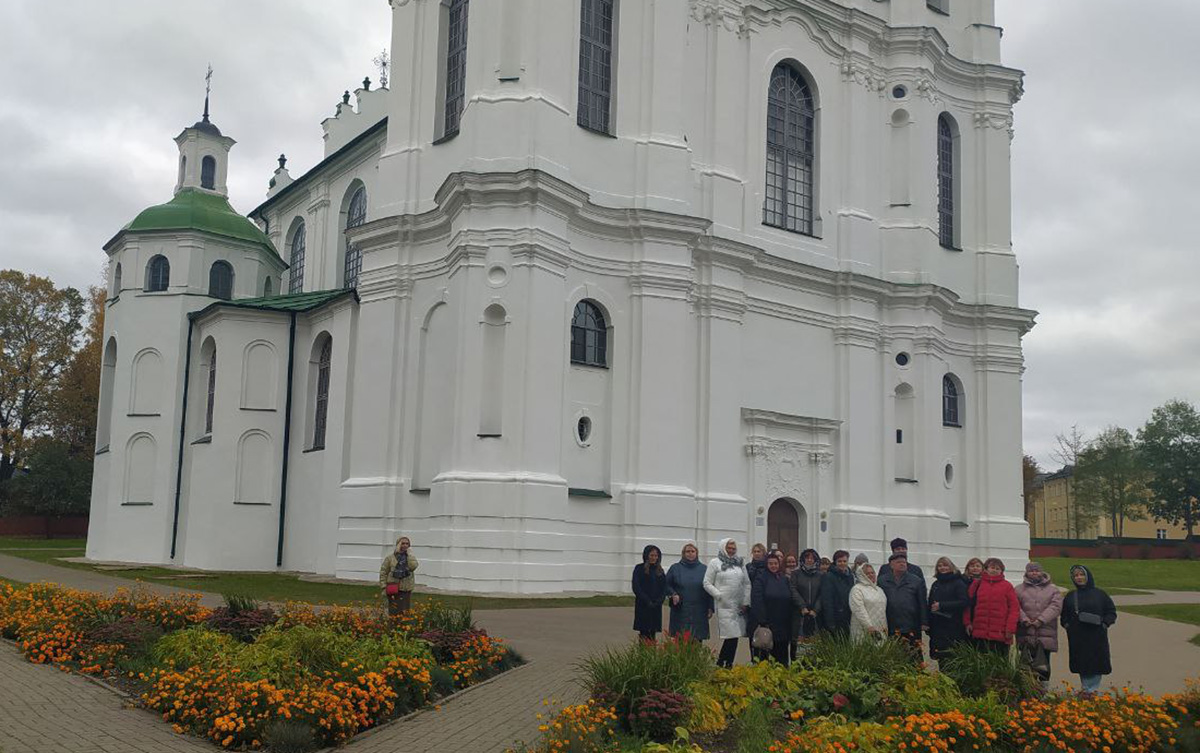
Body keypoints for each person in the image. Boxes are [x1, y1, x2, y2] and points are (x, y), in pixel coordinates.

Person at [1061, 564, 1117, 694]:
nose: (1079, 578)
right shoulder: (1071, 596)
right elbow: (1064, 616)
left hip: (1096, 635)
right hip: (1078, 636)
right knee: (1082, 664)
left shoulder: (1100, 594)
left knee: (1096, 663)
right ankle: (1087, 690)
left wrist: (1105, 624)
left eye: (1081, 574)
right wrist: (1068, 626)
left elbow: (1111, 612)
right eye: (1076, 575)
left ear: (1087, 576)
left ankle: (1091, 690)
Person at [704, 538, 752, 668]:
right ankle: (724, 662)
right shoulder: (715, 563)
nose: (731, 551)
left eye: (733, 548)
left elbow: (747, 583)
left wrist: (746, 601)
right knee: (731, 634)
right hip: (724, 605)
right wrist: (718, 595)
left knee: (735, 635)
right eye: (729, 548)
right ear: (723, 548)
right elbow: (707, 583)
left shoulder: (740, 562)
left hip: (738, 605)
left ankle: (725, 662)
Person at [1015, 561, 1063, 685]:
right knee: (1025, 663)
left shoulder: (1053, 590)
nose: (1034, 573)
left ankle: (1043, 689)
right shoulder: (1019, 589)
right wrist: (1024, 619)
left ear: (1042, 572)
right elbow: (1015, 606)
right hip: (1026, 631)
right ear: (1027, 573)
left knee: (1043, 664)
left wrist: (1040, 620)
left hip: (1045, 632)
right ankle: (1026, 688)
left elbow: (1056, 606)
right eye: (1031, 570)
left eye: (1037, 570)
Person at [878, 553, 928, 660]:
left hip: (911, 623)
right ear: (891, 565)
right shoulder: (882, 580)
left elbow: (922, 603)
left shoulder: (916, 581)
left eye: (904, 562)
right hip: (891, 623)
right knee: (894, 654)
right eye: (899, 562)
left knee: (914, 654)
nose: (902, 564)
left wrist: (924, 622)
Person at [965, 557, 1019, 654]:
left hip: (1000, 634)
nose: (994, 570)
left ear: (1001, 571)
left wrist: (1010, 629)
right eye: (992, 567)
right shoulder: (977, 584)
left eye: (997, 569)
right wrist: (967, 622)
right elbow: (968, 605)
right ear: (986, 569)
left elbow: (1014, 609)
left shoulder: (1007, 586)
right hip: (979, 633)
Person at [750, 552, 793, 664]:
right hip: (767, 623)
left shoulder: (784, 579)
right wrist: (762, 620)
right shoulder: (761, 579)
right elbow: (757, 599)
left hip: (783, 623)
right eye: (770, 563)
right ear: (766, 564)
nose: (773, 566)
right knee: (765, 654)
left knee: (782, 654)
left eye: (775, 563)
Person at [665, 542, 714, 641]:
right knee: (681, 639)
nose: (690, 553)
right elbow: (666, 584)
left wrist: (710, 607)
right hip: (681, 609)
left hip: (699, 609)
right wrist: (673, 594)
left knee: (697, 638)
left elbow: (710, 589)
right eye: (688, 551)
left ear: (696, 553)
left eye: (693, 551)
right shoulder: (675, 568)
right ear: (683, 553)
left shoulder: (704, 569)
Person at [927, 556, 970, 663]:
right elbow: (930, 603)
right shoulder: (936, 584)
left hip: (953, 625)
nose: (943, 568)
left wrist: (942, 605)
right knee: (941, 657)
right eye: (940, 566)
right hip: (937, 626)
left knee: (953, 657)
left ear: (951, 567)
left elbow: (964, 602)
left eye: (945, 565)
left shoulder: (958, 582)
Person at [789, 548, 823, 655]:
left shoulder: (820, 575)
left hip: (814, 614)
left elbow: (822, 594)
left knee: (813, 645)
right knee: (797, 642)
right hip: (799, 613)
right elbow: (793, 590)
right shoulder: (796, 574)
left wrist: (816, 609)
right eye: (807, 558)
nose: (809, 560)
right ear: (803, 560)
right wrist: (802, 606)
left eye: (812, 558)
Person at [631, 545, 667, 641]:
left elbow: (664, 587)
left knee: (652, 633)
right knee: (644, 632)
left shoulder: (660, 571)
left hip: (656, 606)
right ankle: (643, 653)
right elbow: (636, 587)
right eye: (651, 555)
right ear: (646, 555)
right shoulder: (639, 569)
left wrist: (659, 601)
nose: (654, 558)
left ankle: (651, 654)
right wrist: (647, 600)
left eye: (656, 556)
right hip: (643, 605)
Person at [379, 536, 419, 615]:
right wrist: (383, 586)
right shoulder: (390, 558)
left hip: (406, 588)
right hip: (393, 587)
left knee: (404, 610)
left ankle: (403, 626)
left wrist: (410, 556)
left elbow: (413, 567)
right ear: (398, 544)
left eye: (407, 544)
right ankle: (393, 625)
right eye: (403, 543)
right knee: (394, 609)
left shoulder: (410, 557)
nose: (405, 545)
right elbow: (383, 572)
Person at [849, 562, 888, 642]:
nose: (871, 575)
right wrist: (869, 626)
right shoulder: (857, 589)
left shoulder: (879, 590)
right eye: (867, 573)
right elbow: (858, 609)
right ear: (861, 575)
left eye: (872, 572)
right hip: (863, 629)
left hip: (880, 629)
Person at [819, 550, 855, 636]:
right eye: (839, 561)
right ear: (835, 562)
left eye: (844, 561)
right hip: (835, 618)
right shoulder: (828, 577)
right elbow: (827, 601)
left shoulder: (850, 576)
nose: (842, 563)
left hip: (848, 617)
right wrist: (830, 623)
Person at [745, 543, 769, 660]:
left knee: (765, 634)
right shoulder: (748, 567)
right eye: (754, 551)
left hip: (765, 604)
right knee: (752, 634)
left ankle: (765, 660)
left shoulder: (767, 567)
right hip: (751, 605)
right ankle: (754, 659)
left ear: (764, 553)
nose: (756, 553)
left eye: (759, 551)